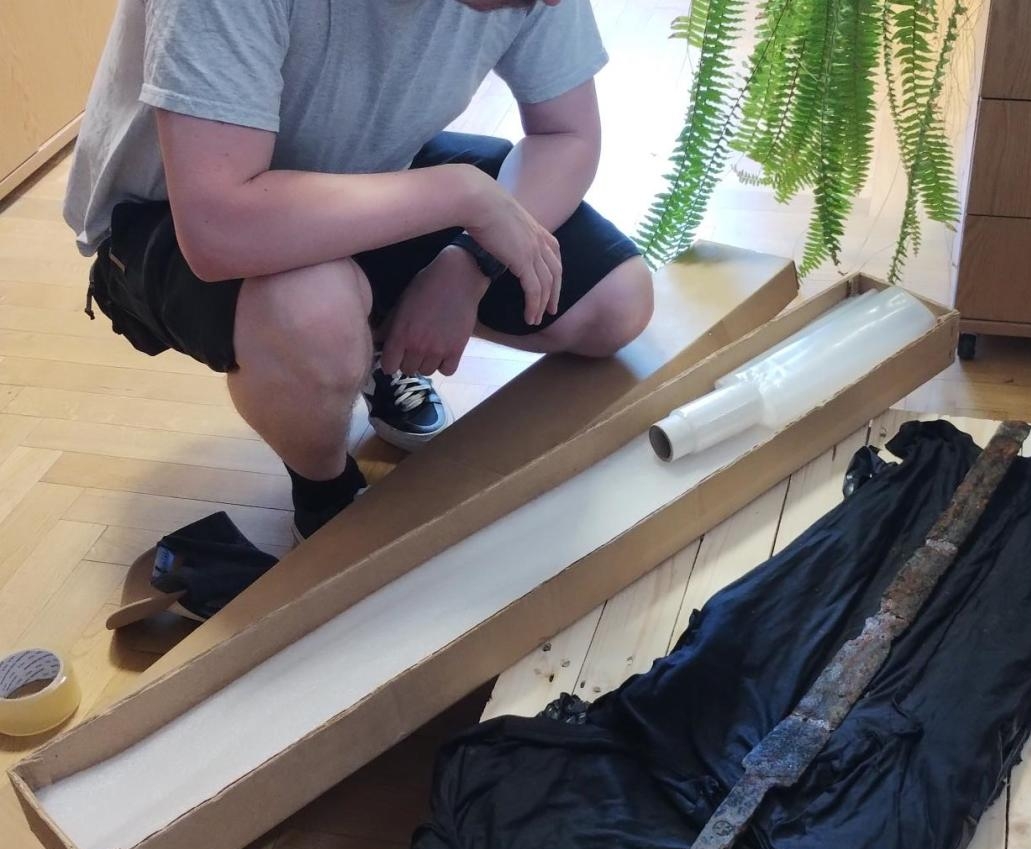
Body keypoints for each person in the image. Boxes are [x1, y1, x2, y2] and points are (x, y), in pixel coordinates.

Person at [65, 0, 654, 538]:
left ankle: (372, 344)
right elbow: (218, 227)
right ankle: (324, 490)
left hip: (367, 166)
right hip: (168, 215)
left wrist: (467, 266)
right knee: (314, 312)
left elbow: (567, 134)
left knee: (616, 302)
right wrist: (463, 198)